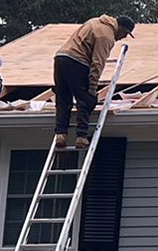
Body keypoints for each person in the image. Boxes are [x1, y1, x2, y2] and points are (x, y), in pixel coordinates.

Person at [53, 13, 135, 150]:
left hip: (60, 59)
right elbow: (97, 64)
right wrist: (92, 88)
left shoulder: (94, 22)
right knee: (85, 100)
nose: (124, 37)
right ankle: (81, 136)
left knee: (63, 99)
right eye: (126, 33)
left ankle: (61, 134)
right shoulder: (106, 36)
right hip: (77, 62)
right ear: (120, 28)